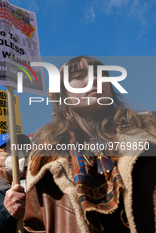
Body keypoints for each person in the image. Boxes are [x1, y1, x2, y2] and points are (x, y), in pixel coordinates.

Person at [23, 56, 156, 233]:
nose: (95, 79)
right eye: (78, 76)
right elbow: (35, 227)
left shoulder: (150, 132)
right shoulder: (44, 160)